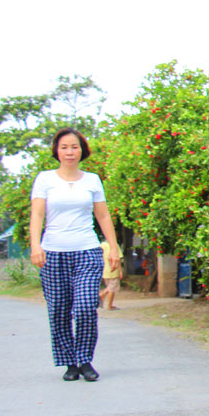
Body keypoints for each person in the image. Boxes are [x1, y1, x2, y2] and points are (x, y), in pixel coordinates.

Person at [29, 127, 121, 382]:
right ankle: (69, 363)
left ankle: (85, 359)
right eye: (64, 147)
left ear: (82, 151)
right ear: (57, 151)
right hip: (53, 253)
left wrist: (113, 247)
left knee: (85, 308)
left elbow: (102, 215)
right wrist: (35, 246)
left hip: (87, 251)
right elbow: (37, 214)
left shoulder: (92, 180)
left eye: (75, 147)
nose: (70, 152)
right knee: (59, 310)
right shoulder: (45, 179)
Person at [99, 240, 123, 310]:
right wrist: (120, 271)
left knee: (110, 287)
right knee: (112, 289)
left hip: (105, 270)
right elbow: (118, 259)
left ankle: (106, 302)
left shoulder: (102, 245)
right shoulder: (115, 245)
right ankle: (108, 304)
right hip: (113, 270)